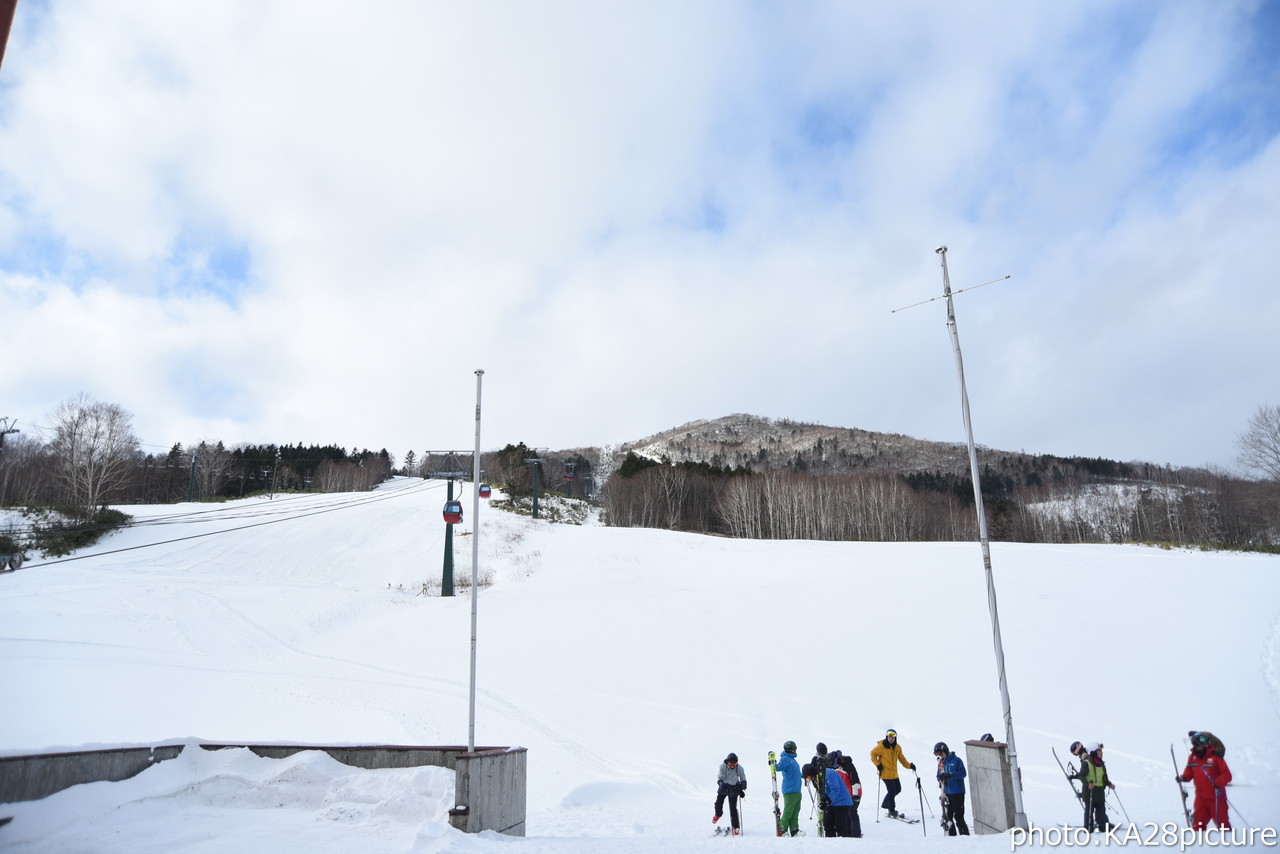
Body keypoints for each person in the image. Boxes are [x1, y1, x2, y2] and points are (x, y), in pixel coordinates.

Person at [1179, 732, 1232, 830]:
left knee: (1223, 826)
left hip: (1217, 798)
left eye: (1206, 743)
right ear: (1196, 745)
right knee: (1197, 825)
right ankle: (1198, 845)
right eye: (1202, 744)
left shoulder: (1216, 757)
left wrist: (1219, 781)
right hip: (1201, 799)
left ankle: (1229, 843)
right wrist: (1183, 778)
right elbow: (1189, 773)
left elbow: (1227, 775)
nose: (1205, 745)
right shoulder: (1192, 758)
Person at [870, 729, 916, 818]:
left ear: (895, 738)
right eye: (889, 737)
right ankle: (891, 810)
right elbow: (872, 754)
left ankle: (885, 803)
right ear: (887, 737)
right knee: (891, 792)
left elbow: (902, 759)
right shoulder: (882, 746)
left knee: (898, 789)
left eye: (892, 738)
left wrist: (910, 766)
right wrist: (878, 764)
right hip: (885, 773)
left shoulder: (897, 747)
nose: (891, 739)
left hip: (894, 773)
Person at [934, 742, 970, 836]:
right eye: (939, 755)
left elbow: (963, 773)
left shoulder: (956, 761)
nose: (941, 756)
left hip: (957, 792)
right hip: (947, 793)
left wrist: (950, 776)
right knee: (948, 817)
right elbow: (938, 775)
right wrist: (941, 779)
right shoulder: (941, 763)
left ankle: (965, 835)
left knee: (958, 816)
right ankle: (952, 837)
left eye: (941, 753)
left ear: (945, 751)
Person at [1077, 742, 1114, 832]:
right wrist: (1087, 783)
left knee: (1101, 812)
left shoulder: (1101, 764)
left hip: (1100, 792)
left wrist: (1109, 784)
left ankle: (1104, 827)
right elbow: (1081, 776)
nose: (1102, 753)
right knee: (1089, 812)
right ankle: (1088, 828)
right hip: (1089, 791)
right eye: (1099, 751)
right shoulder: (1086, 763)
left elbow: (1104, 778)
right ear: (1093, 752)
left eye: (1101, 751)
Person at [823, 750, 855, 837]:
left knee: (844, 821)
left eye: (835, 763)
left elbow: (854, 778)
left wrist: (855, 792)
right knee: (830, 824)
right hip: (836, 799)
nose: (835, 765)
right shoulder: (831, 770)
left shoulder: (846, 766)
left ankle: (853, 834)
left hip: (845, 797)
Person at [714, 752, 747, 835]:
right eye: (730, 763)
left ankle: (736, 827)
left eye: (734, 764)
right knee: (718, 803)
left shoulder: (739, 768)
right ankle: (718, 814)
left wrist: (743, 784)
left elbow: (743, 777)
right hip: (724, 787)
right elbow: (719, 777)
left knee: (733, 809)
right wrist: (721, 783)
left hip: (733, 788)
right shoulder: (722, 766)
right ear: (727, 762)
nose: (732, 765)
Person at [776, 741, 804, 837]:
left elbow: (796, 773)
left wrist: (803, 775)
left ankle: (794, 829)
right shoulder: (785, 759)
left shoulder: (793, 760)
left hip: (797, 789)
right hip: (790, 790)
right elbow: (779, 767)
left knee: (795, 810)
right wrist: (773, 763)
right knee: (789, 810)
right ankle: (783, 829)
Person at [839, 753, 864, 837]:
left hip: (854, 793)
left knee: (852, 812)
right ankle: (849, 833)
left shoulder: (848, 767)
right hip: (847, 794)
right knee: (847, 813)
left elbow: (855, 781)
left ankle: (856, 834)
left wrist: (856, 796)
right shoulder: (838, 768)